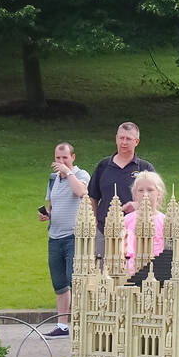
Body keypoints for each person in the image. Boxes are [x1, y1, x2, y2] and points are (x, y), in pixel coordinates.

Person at [39, 142, 90, 337]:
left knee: (74, 279)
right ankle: (62, 325)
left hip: (73, 236)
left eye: (65, 158)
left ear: (73, 157)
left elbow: (82, 193)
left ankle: (80, 322)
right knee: (59, 282)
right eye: (58, 158)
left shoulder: (81, 175)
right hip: (54, 236)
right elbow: (52, 205)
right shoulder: (53, 179)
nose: (60, 162)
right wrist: (47, 215)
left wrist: (68, 172)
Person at [87, 122, 154, 260]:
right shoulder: (103, 166)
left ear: (137, 142)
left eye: (128, 139)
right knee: (100, 274)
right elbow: (92, 196)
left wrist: (138, 206)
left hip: (135, 232)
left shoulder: (144, 167)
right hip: (103, 231)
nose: (124, 142)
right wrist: (94, 223)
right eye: (121, 138)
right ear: (116, 138)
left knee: (130, 276)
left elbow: (155, 198)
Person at [124, 170, 167, 276]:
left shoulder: (165, 221)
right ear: (135, 194)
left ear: (159, 194)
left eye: (150, 190)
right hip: (132, 272)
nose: (145, 194)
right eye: (141, 190)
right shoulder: (127, 220)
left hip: (158, 272)